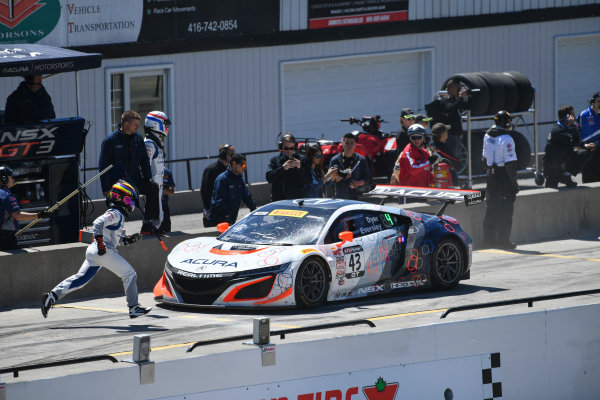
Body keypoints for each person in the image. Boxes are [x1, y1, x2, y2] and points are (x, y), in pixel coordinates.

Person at [41, 180, 151, 319]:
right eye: (129, 200)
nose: (131, 204)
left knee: (80, 280)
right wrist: (100, 244)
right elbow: (97, 222)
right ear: (119, 198)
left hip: (96, 251)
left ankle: (52, 296)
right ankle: (134, 308)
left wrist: (127, 240)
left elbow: (113, 239)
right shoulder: (116, 213)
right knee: (130, 274)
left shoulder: (117, 215)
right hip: (103, 251)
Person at [482, 111, 519, 250]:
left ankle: (488, 241)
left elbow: (484, 158)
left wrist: (489, 172)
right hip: (504, 176)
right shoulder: (506, 139)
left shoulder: (487, 134)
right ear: (506, 123)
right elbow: (511, 164)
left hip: (491, 174)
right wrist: (514, 183)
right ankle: (503, 242)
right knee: (506, 210)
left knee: (491, 208)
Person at [98, 111, 153, 204]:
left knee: (154, 189)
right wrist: (106, 188)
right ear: (126, 124)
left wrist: (148, 178)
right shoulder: (110, 141)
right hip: (117, 183)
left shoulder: (138, 138)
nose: (137, 127)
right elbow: (103, 166)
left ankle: (150, 218)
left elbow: (144, 160)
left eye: (138, 124)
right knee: (120, 208)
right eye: (135, 124)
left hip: (135, 179)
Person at [0, 165, 50, 250]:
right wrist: (38, 215)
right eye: (11, 177)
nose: (13, 179)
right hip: (5, 237)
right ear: (4, 178)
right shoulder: (6, 195)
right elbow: (18, 215)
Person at [543, 105, 594, 188]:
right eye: (572, 114)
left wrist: (585, 145)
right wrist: (573, 125)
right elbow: (572, 142)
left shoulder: (567, 128)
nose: (574, 116)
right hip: (553, 166)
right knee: (549, 191)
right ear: (566, 117)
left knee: (586, 152)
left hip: (564, 161)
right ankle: (563, 176)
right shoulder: (557, 130)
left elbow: (577, 142)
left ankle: (566, 175)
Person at [141, 111, 171, 234]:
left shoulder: (156, 142)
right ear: (156, 123)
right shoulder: (149, 143)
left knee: (161, 214)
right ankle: (148, 228)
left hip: (158, 185)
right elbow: (144, 165)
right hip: (152, 185)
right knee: (155, 214)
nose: (166, 127)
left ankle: (153, 229)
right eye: (164, 123)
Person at [207, 153, 257, 226]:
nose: (244, 168)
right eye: (242, 165)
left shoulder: (239, 179)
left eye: (245, 165)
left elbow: (247, 196)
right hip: (218, 221)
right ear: (234, 164)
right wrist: (227, 216)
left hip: (231, 220)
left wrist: (254, 210)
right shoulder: (222, 179)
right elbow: (220, 201)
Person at [266, 133, 311, 201]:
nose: (289, 151)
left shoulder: (302, 160)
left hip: (298, 199)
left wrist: (300, 168)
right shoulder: (275, 160)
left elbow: (309, 181)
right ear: (281, 147)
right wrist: (282, 168)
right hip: (280, 200)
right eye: (286, 148)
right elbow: (269, 178)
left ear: (295, 147)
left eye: (291, 148)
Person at [328, 132, 372, 199]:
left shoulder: (361, 160)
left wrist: (359, 183)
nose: (349, 146)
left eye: (352, 143)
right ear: (342, 144)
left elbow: (368, 178)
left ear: (355, 144)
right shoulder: (335, 160)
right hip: (339, 197)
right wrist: (337, 178)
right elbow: (329, 180)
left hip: (357, 197)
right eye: (347, 143)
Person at [201, 144, 235, 226]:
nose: (234, 157)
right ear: (223, 155)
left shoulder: (231, 170)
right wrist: (208, 208)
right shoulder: (211, 170)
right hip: (214, 212)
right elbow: (205, 191)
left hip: (227, 212)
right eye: (231, 155)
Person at [438, 79, 472, 158]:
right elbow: (450, 108)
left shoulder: (456, 100)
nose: (459, 91)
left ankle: (454, 169)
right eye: (458, 89)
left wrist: (469, 96)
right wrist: (460, 97)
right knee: (450, 157)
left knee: (456, 156)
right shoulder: (444, 100)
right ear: (451, 89)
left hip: (456, 134)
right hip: (449, 135)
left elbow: (468, 106)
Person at [579, 92, 600, 183]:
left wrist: (597, 144)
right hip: (587, 150)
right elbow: (576, 132)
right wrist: (584, 145)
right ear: (593, 101)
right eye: (599, 101)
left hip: (598, 149)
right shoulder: (583, 115)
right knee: (588, 178)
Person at [158, 167, 175, 234]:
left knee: (167, 233)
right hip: (151, 208)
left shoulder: (167, 172)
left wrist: (160, 189)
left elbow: (171, 191)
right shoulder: (148, 170)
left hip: (164, 206)